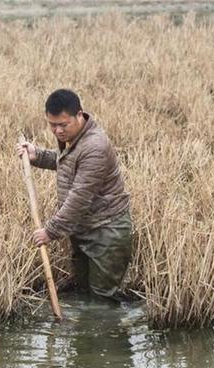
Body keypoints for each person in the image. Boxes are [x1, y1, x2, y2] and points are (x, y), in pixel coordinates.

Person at [16, 89, 132, 301]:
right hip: (83, 229)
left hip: (106, 233)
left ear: (80, 115)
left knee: (102, 301)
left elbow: (79, 198)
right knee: (83, 293)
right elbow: (68, 162)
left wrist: (50, 231)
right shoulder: (76, 137)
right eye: (52, 125)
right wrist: (37, 155)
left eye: (63, 124)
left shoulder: (95, 146)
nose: (58, 131)